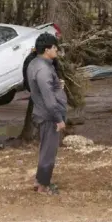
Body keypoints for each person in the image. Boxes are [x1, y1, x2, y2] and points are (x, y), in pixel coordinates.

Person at [26, 33, 67, 195]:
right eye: (54, 47)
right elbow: (49, 99)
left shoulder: (35, 64)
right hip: (49, 116)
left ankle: (39, 180)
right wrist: (58, 119)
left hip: (43, 113)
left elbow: (45, 88)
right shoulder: (43, 69)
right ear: (47, 49)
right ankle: (43, 186)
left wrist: (57, 85)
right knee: (49, 151)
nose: (57, 50)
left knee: (45, 149)